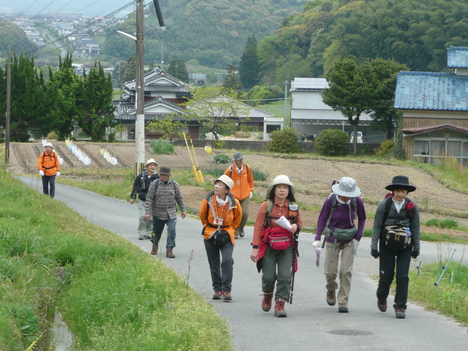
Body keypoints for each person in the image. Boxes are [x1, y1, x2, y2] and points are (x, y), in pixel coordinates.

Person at [250, 175, 302, 318]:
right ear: (273, 190)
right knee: (268, 277)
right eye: (279, 187)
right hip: (268, 246)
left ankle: (280, 303)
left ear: (289, 190)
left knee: (285, 276)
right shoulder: (266, 206)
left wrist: (294, 226)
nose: (282, 190)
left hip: (287, 246)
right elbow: (258, 227)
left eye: (285, 187)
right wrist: (255, 248)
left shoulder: (293, 206)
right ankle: (267, 294)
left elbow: (300, 225)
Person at [313, 177, 366, 313]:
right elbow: (322, 218)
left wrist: (358, 237)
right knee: (330, 272)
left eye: (350, 195)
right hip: (332, 238)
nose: (348, 198)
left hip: (350, 239)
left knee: (346, 271)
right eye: (346, 195)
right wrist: (318, 237)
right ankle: (331, 289)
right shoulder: (331, 200)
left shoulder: (357, 201)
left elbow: (362, 218)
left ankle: (343, 301)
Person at [371, 175, 420, 319]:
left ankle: (400, 306)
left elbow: (415, 227)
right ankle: (381, 296)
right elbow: (377, 226)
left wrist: (416, 247)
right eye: (397, 190)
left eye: (403, 191)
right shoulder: (384, 205)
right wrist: (374, 246)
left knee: (403, 276)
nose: (400, 194)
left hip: (405, 245)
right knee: (386, 276)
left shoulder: (412, 206)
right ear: (393, 191)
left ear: (407, 193)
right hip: (387, 244)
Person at [199, 175, 242, 301]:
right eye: (216, 184)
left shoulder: (235, 203)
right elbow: (202, 216)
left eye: (220, 185)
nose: (216, 186)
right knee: (214, 263)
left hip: (227, 234)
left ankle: (227, 289)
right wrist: (209, 227)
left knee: (227, 260)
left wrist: (230, 228)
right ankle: (217, 289)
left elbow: (238, 218)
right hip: (210, 234)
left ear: (227, 190)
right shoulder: (208, 200)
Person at [145, 166, 186, 258]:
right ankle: (155, 245)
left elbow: (179, 198)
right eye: (161, 174)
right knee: (156, 232)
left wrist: (183, 210)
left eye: (164, 175)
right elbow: (149, 199)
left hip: (171, 213)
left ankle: (169, 249)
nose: (162, 176)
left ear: (168, 176)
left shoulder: (174, 185)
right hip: (158, 213)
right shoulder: (154, 184)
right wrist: (147, 212)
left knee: (172, 231)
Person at [224, 152, 254, 239]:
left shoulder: (247, 168)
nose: (241, 161)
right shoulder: (230, 170)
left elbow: (250, 180)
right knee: (236, 213)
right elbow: (224, 180)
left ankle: (241, 228)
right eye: (239, 160)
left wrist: (251, 190)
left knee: (244, 213)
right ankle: (236, 231)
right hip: (234, 195)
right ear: (235, 161)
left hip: (245, 194)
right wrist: (227, 192)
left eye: (241, 159)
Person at [130, 158, 159, 240]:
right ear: (147, 166)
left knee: (151, 218)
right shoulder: (141, 176)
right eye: (151, 165)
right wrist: (133, 197)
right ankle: (141, 233)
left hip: (153, 201)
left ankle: (148, 232)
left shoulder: (158, 177)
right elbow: (135, 187)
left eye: (154, 165)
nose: (152, 167)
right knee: (143, 216)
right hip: (142, 199)